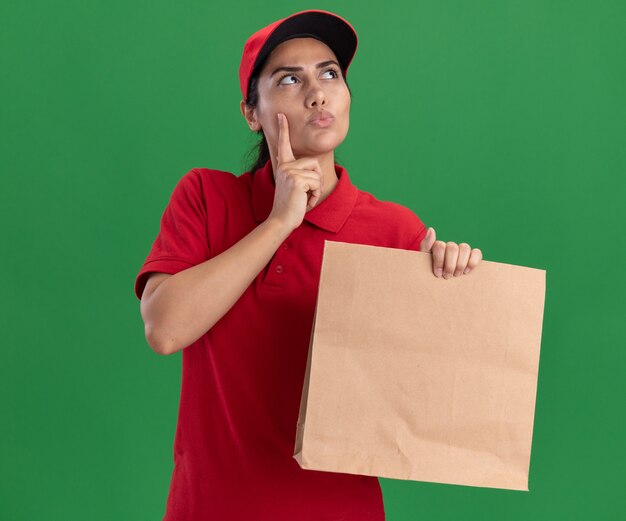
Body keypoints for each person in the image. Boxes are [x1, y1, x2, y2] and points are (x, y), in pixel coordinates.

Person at [134, 9, 482, 521]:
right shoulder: (207, 197)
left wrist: (453, 286)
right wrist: (277, 223)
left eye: (330, 73)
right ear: (251, 112)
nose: (317, 93)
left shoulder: (394, 231)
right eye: (290, 79)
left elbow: (425, 406)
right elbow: (164, 330)